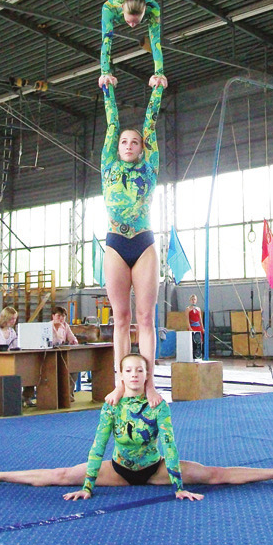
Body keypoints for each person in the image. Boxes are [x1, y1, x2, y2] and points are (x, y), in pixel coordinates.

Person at [0, 353, 273, 497]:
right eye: (128, 370)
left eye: (140, 370)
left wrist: (178, 485)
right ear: (121, 375)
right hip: (118, 470)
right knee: (61, 475)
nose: (134, 375)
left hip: (155, 469)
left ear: (147, 375)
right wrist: (87, 485)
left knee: (212, 474)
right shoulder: (112, 405)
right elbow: (98, 446)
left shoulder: (158, 406)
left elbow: (170, 446)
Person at [100, 83, 163, 407]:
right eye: (124, 142)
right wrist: (107, 84)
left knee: (146, 318)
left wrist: (157, 86)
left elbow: (150, 124)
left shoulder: (149, 168)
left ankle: (150, 385)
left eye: (134, 142)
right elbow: (112, 123)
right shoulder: (108, 166)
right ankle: (120, 384)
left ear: (141, 148)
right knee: (121, 318)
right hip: (115, 244)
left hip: (143, 242)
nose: (128, 145)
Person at [51, 306, 79, 400]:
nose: (61, 318)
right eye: (58, 316)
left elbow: (72, 338)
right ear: (53, 316)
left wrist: (73, 341)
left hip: (63, 355)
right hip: (50, 356)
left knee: (74, 369)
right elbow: (53, 342)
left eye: (63, 316)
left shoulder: (66, 326)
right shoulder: (48, 326)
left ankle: (69, 394)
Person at [185, 294, 204, 359]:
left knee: (199, 342)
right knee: (192, 341)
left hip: (198, 327)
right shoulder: (188, 309)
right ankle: (191, 355)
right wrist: (189, 327)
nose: (193, 301)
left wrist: (202, 328)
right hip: (192, 327)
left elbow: (200, 319)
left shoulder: (198, 309)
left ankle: (198, 355)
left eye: (194, 299)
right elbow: (187, 319)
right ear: (190, 300)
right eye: (192, 299)